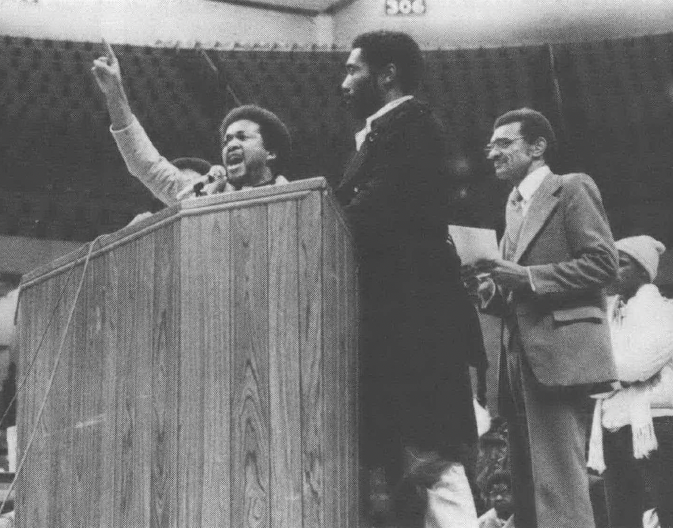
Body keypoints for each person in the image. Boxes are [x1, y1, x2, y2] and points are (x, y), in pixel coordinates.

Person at [336, 30, 487, 528]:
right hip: (402, 322)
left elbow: (369, 214)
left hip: (415, 325)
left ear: (387, 75)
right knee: (410, 465)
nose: (344, 82)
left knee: (430, 461)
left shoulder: (414, 129)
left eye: (353, 70)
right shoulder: (392, 132)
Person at [470, 107, 617, 527]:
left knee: (559, 481)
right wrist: (485, 288)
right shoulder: (512, 206)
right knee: (529, 482)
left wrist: (527, 275)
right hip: (518, 356)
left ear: (537, 147)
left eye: (503, 143)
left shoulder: (571, 188)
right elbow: (510, 290)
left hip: (557, 352)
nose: (492, 154)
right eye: (489, 146)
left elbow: (603, 264)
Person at [91, 40, 291, 206]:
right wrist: (114, 93)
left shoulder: (297, 200)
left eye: (242, 137)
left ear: (270, 152)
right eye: (227, 140)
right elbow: (146, 165)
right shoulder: (205, 194)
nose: (231, 145)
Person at [586, 235, 673, 527]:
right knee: (621, 518)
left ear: (643, 271)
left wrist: (601, 374)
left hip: (654, 423)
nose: (612, 270)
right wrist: (608, 372)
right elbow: (593, 361)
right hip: (613, 423)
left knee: (672, 513)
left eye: (621, 263)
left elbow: (638, 365)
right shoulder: (606, 315)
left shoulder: (668, 311)